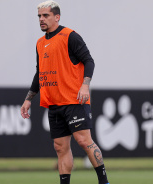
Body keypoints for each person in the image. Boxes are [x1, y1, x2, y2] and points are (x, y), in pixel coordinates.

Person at [20, 1, 110, 184]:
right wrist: (29, 98)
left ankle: (104, 182)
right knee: (60, 147)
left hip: (74, 100)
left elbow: (89, 61)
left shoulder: (70, 36)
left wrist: (85, 85)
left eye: (46, 15)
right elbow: (40, 72)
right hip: (53, 103)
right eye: (39, 16)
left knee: (84, 141)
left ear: (57, 17)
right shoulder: (39, 43)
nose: (41, 19)